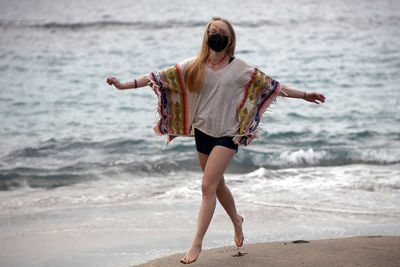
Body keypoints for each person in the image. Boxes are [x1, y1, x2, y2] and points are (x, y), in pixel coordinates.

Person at [106, 16, 326, 264]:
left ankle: (196, 244)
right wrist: (123, 85)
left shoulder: (240, 68)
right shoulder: (195, 65)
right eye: (212, 31)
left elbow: (272, 86)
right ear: (206, 36)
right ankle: (237, 220)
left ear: (229, 38)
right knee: (217, 185)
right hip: (202, 132)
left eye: (221, 32)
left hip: (228, 134)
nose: (215, 35)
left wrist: (305, 94)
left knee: (206, 187)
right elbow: (158, 77)